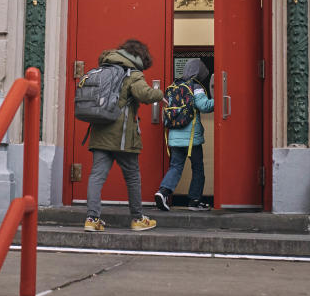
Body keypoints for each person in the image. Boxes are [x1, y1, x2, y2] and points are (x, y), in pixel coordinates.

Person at [84, 39, 163, 233]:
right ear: (140, 58)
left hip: (100, 131)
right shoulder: (133, 73)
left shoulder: (104, 68)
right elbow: (144, 94)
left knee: (96, 175)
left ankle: (92, 219)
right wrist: (159, 93)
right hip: (122, 137)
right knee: (132, 177)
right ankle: (137, 218)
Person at [154, 58, 214, 211]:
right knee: (198, 168)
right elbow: (204, 106)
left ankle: (163, 192)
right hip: (192, 138)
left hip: (174, 137)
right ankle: (194, 201)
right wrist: (218, 100)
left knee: (175, 167)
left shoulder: (174, 86)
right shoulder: (196, 87)